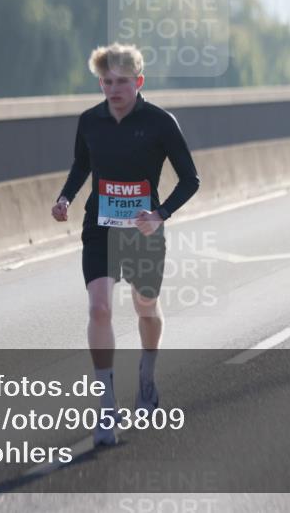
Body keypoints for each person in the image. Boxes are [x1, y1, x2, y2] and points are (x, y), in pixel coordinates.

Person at [51, 43, 200, 446]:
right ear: (100, 83)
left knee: (145, 304)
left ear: (139, 81)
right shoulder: (89, 121)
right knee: (99, 307)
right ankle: (106, 405)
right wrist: (66, 197)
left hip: (142, 228)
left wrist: (160, 215)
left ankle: (147, 377)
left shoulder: (159, 123)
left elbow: (191, 179)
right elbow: (83, 164)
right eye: (107, 82)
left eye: (122, 82)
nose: (114, 90)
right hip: (99, 225)